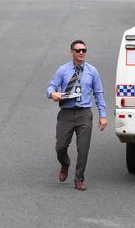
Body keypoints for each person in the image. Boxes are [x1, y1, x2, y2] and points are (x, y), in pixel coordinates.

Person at [46, 40, 107, 191]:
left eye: (84, 50)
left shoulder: (92, 71)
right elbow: (51, 86)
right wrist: (52, 94)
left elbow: (99, 93)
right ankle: (65, 164)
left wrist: (103, 115)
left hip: (84, 113)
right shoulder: (63, 70)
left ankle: (79, 178)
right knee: (60, 147)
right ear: (71, 52)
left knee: (83, 148)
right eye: (78, 50)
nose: (81, 53)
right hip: (66, 113)